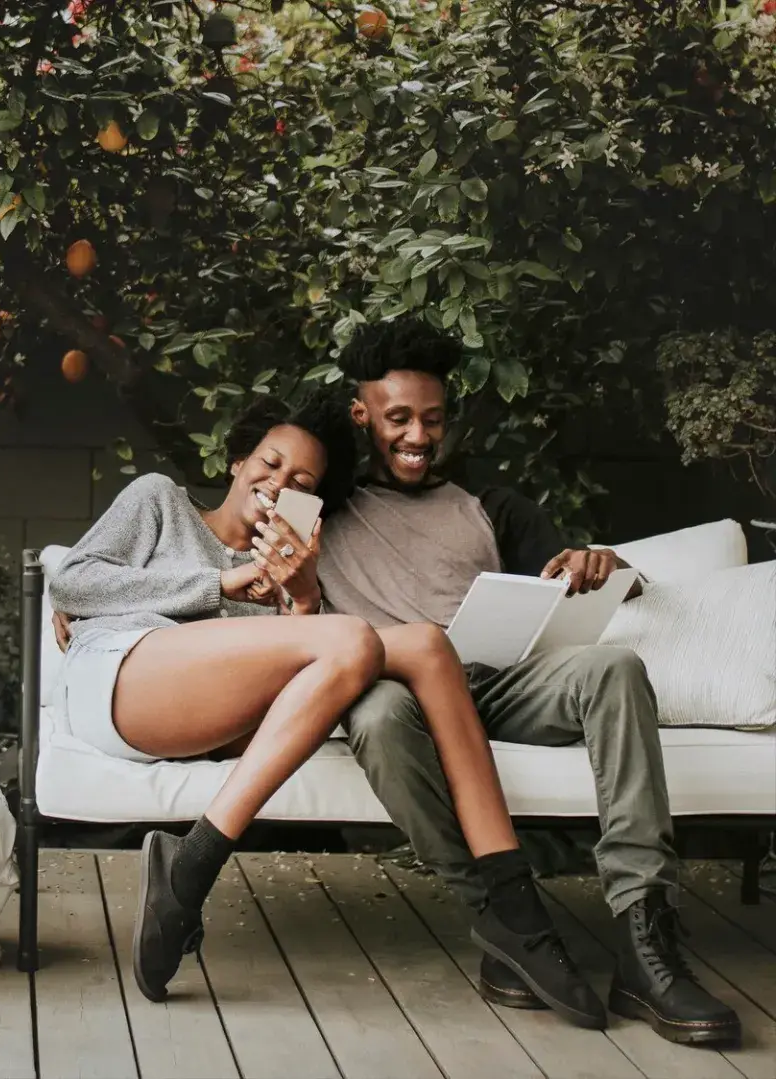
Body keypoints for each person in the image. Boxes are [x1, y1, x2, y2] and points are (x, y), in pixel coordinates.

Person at [48, 398, 598, 1018]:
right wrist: (217, 585)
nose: (278, 484)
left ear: (310, 506)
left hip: (205, 724)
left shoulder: (285, 576)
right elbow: (71, 581)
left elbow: (305, 688)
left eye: (301, 484)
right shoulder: (162, 501)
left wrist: (302, 597)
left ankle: (514, 909)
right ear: (236, 462)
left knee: (424, 644)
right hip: (122, 678)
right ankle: (193, 867)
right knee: (358, 637)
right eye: (270, 463)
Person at [318, 319, 739, 1047]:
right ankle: (506, 919)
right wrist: (87, 595)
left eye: (432, 418)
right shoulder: (322, 504)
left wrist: (599, 563)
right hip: (397, 696)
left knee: (613, 667)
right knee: (380, 714)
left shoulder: (490, 504)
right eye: (398, 419)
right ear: (361, 415)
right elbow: (221, 539)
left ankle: (645, 938)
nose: (419, 435)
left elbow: (596, 584)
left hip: (496, 682)